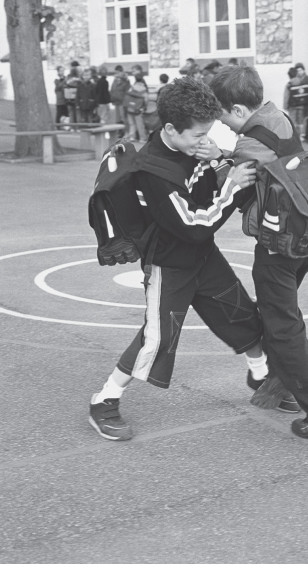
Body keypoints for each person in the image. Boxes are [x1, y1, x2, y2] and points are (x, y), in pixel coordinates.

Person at [89, 77, 266, 441]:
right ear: (170, 128)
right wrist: (232, 186)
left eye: (208, 133)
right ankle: (104, 399)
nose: (204, 140)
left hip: (202, 256)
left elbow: (202, 190)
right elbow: (195, 224)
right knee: (157, 336)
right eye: (197, 135)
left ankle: (261, 376)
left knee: (240, 312)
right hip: (169, 262)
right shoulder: (154, 173)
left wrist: (216, 158)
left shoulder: (189, 148)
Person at [208, 66, 308, 440]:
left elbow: (233, 186)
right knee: (280, 317)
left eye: (221, 114)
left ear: (237, 109)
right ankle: (277, 384)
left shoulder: (248, 143)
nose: (221, 122)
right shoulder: (275, 115)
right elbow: (266, 158)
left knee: (284, 328)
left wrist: (217, 160)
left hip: (279, 244)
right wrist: (225, 152)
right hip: (307, 233)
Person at [283, 63, 308, 140]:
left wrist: (285, 105)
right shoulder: (302, 82)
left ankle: (295, 136)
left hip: (292, 106)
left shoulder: (289, 84)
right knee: (301, 121)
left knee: (292, 120)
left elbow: (286, 96)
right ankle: (302, 135)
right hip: (302, 104)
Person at [125, 73, 149, 141]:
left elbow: (128, 96)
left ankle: (132, 136)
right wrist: (145, 107)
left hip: (130, 107)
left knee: (132, 123)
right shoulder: (143, 89)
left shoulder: (132, 87)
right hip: (138, 109)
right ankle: (142, 138)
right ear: (142, 80)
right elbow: (146, 99)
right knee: (140, 124)